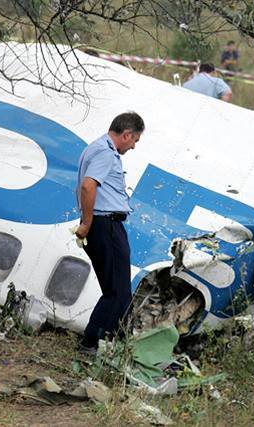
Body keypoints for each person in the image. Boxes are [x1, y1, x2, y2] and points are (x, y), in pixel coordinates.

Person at [75, 112, 145, 353]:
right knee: (119, 291)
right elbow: (88, 185)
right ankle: (92, 342)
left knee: (114, 289)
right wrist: (87, 222)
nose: (134, 146)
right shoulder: (106, 153)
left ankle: (112, 340)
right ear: (126, 134)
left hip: (103, 224)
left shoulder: (94, 147)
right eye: (134, 140)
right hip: (106, 225)